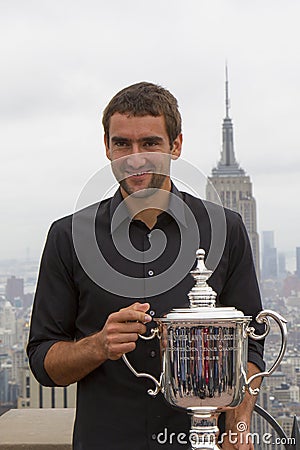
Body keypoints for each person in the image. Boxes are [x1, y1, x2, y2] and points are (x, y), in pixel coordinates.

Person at [27, 82, 265, 450]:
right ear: (107, 147)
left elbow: (250, 347)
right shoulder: (67, 236)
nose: (134, 158)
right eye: (122, 143)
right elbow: (43, 361)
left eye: (150, 143)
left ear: (176, 146)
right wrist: (98, 346)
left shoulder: (226, 229)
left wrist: (239, 419)